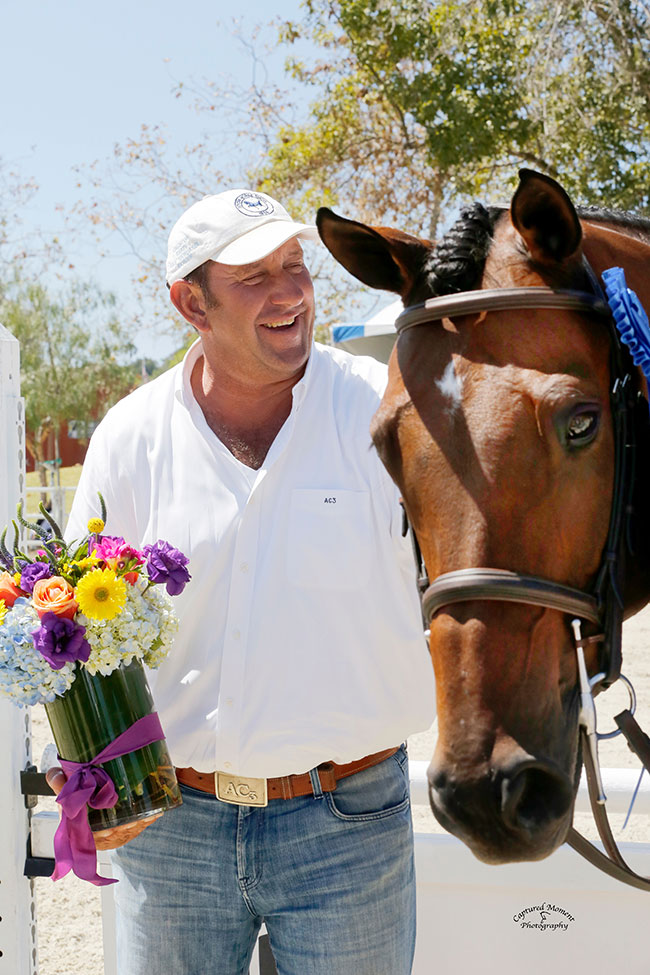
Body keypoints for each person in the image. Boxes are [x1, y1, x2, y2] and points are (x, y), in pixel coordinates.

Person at [52, 188, 436, 975]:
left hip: (349, 825)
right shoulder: (129, 440)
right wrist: (91, 763)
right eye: (254, 277)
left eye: (295, 265)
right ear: (190, 302)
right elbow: (68, 626)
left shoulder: (385, 417)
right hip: (174, 832)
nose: (290, 291)